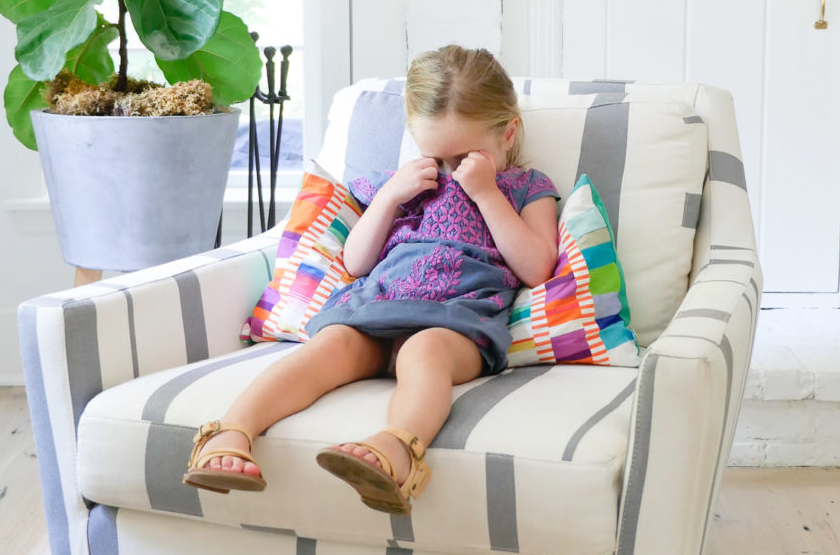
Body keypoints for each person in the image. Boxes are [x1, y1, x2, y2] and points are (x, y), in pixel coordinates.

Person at [183, 45, 560, 513]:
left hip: (457, 323)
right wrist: (389, 198)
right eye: (435, 156)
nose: (449, 170)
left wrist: (485, 193)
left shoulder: (524, 187)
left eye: (465, 156)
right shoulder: (402, 182)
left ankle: (398, 449)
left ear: (509, 132)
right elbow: (357, 262)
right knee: (328, 346)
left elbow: (538, 266)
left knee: (425, 354)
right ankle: (230, 433)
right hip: (376, 306)